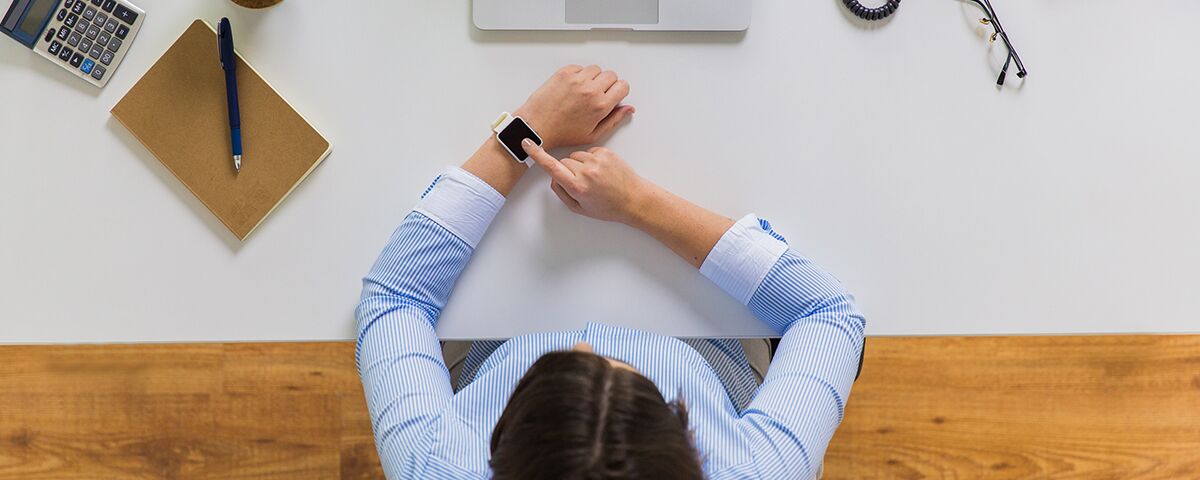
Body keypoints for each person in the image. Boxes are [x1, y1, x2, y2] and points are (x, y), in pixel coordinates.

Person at [355, 64, 866, 480]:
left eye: (564, 361)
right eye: (625, 366)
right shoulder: (756, 470)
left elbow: (396, 297)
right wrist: (639, 203)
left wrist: (526, 132)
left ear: (498, 447)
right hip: (712, 348)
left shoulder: (439, 468)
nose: (586, 337)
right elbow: (826, 312)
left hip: (496, 339)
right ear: (689, 444)